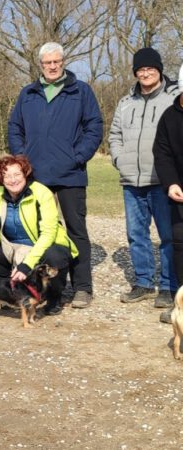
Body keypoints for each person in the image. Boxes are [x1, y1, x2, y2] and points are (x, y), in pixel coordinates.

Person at [7, 42, 103, 309]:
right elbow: (15, 127)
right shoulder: (28, 94)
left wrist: (78, 156)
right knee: (42, 234)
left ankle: (83, 287)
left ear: (63, 62)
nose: (52, 66)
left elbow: (94, 126)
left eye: (56, 62)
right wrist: (22, 157)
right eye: (47, 62)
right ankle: (50, 291)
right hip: (37, 176)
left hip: (70, 174)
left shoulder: (80, 91)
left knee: (76, 231)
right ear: (40, 64)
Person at [109, 47, 179, 308]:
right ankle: (143, 282)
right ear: (135, 73)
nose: (146, 73)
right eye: (141, 69)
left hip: (162, 180)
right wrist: (118, 159)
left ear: (159, 70)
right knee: (136, 235)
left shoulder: (174, 99)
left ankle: (169, 285)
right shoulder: (126, 103)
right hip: (131, 181)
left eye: (150, 68)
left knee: (168, 236)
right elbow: (114, 134)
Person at [0, 155, 78, 315]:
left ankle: (53, 297)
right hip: (11, 245)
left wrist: (26, 264)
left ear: (25, 173)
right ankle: (7, 294)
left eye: (17, 174)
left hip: (40, 244)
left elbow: (48, 234)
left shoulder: (42, 193)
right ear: (1, 178)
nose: (13, 180)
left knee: (55, 257)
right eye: (7, 176)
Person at [152, 63, 183, 324]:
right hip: (179, 195)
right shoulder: (169, 117)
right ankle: (181, 307)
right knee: (180, 247)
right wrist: (171, 183)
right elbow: (162, 154)